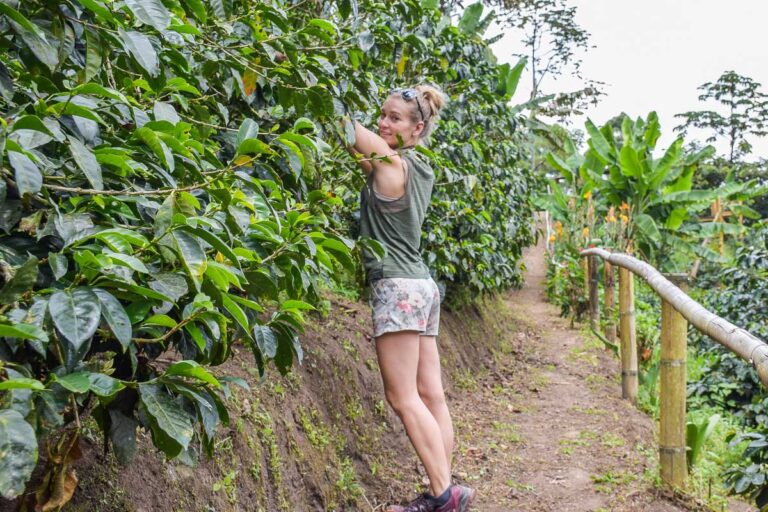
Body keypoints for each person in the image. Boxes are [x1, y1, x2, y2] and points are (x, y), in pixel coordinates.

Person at [346, 85, 476, 512]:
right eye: (381, 115)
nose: (383, 123)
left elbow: (345, 127)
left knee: (402, 397)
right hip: (422, 287)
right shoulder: (415, 167)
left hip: (397, 287)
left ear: (418, 128)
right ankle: (445, 487)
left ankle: (443, 495)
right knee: (430, 394)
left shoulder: (390, 163)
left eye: (395, 118)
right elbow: (362, 152)